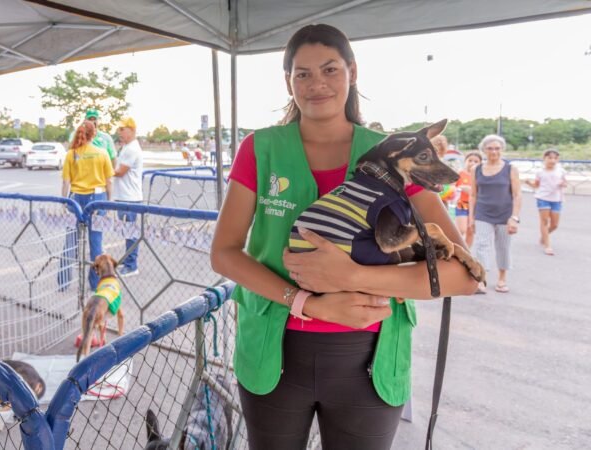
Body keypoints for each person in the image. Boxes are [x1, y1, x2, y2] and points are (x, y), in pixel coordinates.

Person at [210, 24, 478, 450]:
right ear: (288, 82)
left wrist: (352, 276)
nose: (317, 83)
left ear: (352, 72)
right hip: (273, 349)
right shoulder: (260, 149)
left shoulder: (392, 151)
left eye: (330, 69)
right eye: (303, 73)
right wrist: (308, 302)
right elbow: (224, 254)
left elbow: (463, 275)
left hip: (371, 359)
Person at [58, 120, 114, 291]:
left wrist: (64, 202)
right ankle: (95, 283)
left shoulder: (71, 154)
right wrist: (109, 203)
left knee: (70, 241)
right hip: (97, 199)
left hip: (75, 200)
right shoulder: (102, 153)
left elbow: (66, 181)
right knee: (96, 243)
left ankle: (63, 282)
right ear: (94, 134)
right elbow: (109, 180)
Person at [469, 134, 522, 294]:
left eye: (497, 148)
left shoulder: (510, 169)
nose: (494, 151)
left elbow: (517, 195)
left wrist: (514, 217)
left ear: (502, 150)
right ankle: (482, 281)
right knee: (481, 245)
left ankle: (502, 278)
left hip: (505, 215)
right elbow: (473, 195)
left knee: (503, 247)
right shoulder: (476, 169)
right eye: (490, 148)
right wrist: (472, 217)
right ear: (484, 150)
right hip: (483, 213)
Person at [113, 117, 144, 276]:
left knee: (130, 232)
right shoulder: (127, 147)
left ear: (131, 130)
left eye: (122, 129)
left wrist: (103, 171)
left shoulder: (131, 149)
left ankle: (132, 265)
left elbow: (120, 171)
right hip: (125, 195)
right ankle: (127, 260)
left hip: (129, 197)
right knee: (127, 231)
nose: (120, 133)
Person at [525, 148, 567, 255]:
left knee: (554, 225)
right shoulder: (540, 172)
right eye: (550, 158)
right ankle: (548, 246)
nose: (552, 160)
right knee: (544, 222)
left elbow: (565, 183)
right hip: (543, 198)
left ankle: (544, 236)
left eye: (555, 158)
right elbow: (536, 185)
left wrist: (563, 184)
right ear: (545, 159)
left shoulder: (561, 171)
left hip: (557, 199)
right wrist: (529, 183)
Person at [455, 151, 482, 247]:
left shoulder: (480, 176)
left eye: (476, 161)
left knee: (470, 231)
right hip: (461, 205)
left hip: (475, 207)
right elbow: (450, 188)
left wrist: (472, 191)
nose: (472, 163)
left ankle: (467, 252)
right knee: (461, 229)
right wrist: (460, 188)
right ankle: (457, 248)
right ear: (465, 161)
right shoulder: (459, 173)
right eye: (470, 160)